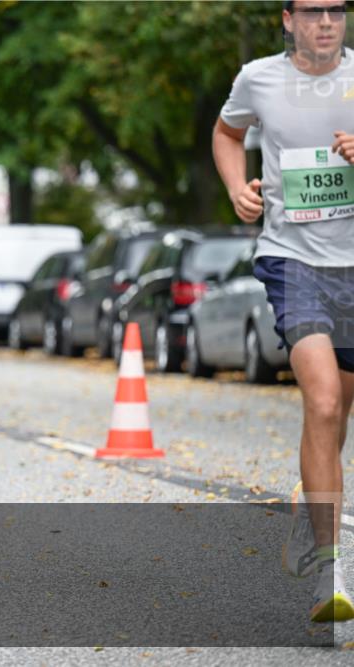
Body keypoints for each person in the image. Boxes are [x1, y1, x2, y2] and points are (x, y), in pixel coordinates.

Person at [213, 0, 354, 622]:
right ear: (288, 19)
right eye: (313, 10)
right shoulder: (259, 77)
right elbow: (227, 131)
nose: (326, 21)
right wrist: (235, 185)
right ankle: (333, 574)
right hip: (291, 259)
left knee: (337, 415)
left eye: (337, 9)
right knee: (322, 400)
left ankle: (308, 508)